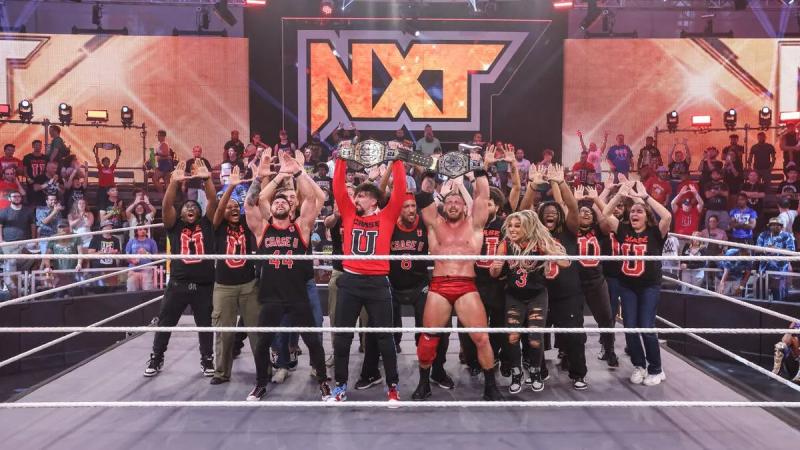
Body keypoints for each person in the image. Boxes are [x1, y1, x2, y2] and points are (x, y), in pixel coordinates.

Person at [412, 150, 504, 401]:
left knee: (481, 338)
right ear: (443, 205)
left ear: (465, 206)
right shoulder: (435, 224)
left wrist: (479, 168)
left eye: (458, 201)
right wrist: (431, 169)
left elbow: (483, 194)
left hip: (466, 285)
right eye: (449, 201)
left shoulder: (475, 224)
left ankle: (491, 386)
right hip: (439, 285)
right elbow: (424, 194)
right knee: (428, 337)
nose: (453, 204)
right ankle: (423, 383)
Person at [245, 152, 330, 402]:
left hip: (297, 296)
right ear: (270, 207)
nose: (280, 203)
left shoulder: (300, 228)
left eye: (285, 201)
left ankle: (323, 382)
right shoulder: (263, 229)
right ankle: (260, 385)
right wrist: (263, 178)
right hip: (271, 297)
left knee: (313, 342)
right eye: (277, 201)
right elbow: (250, 204)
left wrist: (297, 171)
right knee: (263, 343)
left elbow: (312, 198)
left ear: (291, 208)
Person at [327, 153, 407, 403]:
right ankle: (340, 386)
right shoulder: (349, 213)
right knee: (342, 338)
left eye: (361, 195)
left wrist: (398, 162)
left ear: (374, 200)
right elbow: (338, 189)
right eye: (356, 195)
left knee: (385, 337)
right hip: (350, 281)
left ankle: (392, 387)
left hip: (377, 282)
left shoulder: (387, 216)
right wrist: (341, 161)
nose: (356, 198)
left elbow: (400, 191)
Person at [360, 194, 454, 392]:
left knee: (436, 327)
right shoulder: (388, 224)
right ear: (398, 209)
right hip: (391, 284)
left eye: (413, 206)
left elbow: (435, 215)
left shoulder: (425, 225)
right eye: (406, 207)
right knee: (375, 328)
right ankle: (370, 372)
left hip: (419, 285)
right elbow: (379, 200)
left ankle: (438, 370)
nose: (411, 210)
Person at [144, 159, 218, 378]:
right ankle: (157, 357)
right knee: (165, 322)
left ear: (199, 212)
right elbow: (167, 206)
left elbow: (213, 202)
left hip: (204, 285)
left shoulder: (207, 224)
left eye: (194, 206)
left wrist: (207, 180)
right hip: (178, 284)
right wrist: (174, 183)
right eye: (186, 207)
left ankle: (207, 358)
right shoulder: (174, 226)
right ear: (181, 213)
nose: (190, 208)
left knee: (205, 325)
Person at [602, 180, 672, 387]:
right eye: (632, 211)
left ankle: (656, 368)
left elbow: (667, 216)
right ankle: (639, 365)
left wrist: (645, 197)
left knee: (647, 327)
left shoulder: (655, 232)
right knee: (630, 327)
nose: (634, 213)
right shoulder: (624, 230)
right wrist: (620, 194)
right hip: (627, 286)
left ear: (647, 215)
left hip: (649, 286)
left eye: (639, 211)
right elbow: (606, 213)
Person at [490, 210, 568, 394]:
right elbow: (493, 274)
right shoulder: (505, 244)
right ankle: (516, 374)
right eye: (510, 226)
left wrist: (550, 253)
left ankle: (535, 372)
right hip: (514, 296)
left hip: (537, 296)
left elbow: (566, 263)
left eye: (517, 226)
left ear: (528, 227)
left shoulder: (539, 242)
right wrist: (496, 267)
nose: (512, 229)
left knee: (535, 338)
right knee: (512, 337)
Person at [535, 164, 589, 390]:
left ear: (560, 217)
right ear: (540, 217)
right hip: (539, 293)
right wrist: (532, 186)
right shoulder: (535, 233)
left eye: (555, 212)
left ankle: (578, 373)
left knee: (573, 336)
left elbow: (573, 207)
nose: (551, 213)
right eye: (546, 211)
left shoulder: (569, 231)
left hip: (567, 293)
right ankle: (538, 371)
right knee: (535, 336)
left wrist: (562, 182)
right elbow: (523, 208)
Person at [209, 166, 260, 386]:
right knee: (224, 332)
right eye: (228, 207)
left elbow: (253, 204)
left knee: (257, 331)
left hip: (249, 284)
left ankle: (264, 370)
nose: (232, 209)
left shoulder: (247, 225)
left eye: (235, 206)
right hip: (224, 286)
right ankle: (221, 372)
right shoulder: (218, 226)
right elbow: (219, 208)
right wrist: (230, 186)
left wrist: (258, 180)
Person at [573, 186, 619, 369]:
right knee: (573, 319)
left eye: (588, 212)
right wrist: (575, 202)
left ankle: (609, 349)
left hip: (596, 280)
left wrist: (596, 200)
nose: (585, 213)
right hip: (574, 282)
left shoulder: (600, 231)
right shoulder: (570, 230)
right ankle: (568, 352)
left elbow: (606, 219)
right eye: (581, 211)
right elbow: (566, 212)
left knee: (606, 317)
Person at [0, 191, 35, 295]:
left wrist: (33, 239)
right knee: (11, 262)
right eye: (14, 196)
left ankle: (23, 284)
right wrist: (1, 240)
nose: (17, 198)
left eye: (19, 196)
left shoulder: (28, 211)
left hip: (25, 242)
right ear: (9, 198)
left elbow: (33, 225)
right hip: (8, 243)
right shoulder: (4, 211)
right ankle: (12, 288)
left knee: (34, 258)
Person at [756, 217, 795, 301]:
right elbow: (756, 249)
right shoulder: (763, 235)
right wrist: (766, 249)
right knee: (761, 296)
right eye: (772, 225)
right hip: (764, 270)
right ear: (769, 226)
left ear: (781, 226)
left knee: (779, 298)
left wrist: (777, 250)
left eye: (777, 225)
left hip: (780, 272)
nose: (774, 227)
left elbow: (791, 251)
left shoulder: (787, 236)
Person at [42, 221, 82, 292]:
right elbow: (47, 254)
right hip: (58, 273)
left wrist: (79, 264)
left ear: (69, 227)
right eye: (60, 227)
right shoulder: (53, 238)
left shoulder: (76, 237)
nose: (62, 229)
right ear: (57, 228)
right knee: (59, 293)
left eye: (64, 227)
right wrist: (48, 267)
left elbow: (80, 253)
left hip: (73, 272)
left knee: (74, 293)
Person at [87, 220, 121, 287]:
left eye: (110, 226)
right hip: (98, 268)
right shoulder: (95, 239)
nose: (109, 228)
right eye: (107, 226)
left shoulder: (116, 239)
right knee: (99, 289)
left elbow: (119, 254)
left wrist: (114, 252)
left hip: (111, 267)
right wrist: (101, 252)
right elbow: (90, 254)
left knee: (113, 288)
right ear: (102, 228)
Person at [125, 227, 158, 292]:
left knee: (147, 291)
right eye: (140, 229)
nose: (143, 231)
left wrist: (146, 253)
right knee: (131, 290)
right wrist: (132, 260)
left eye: (144, 229)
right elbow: (126, 257)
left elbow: (156, 257)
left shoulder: (152, 241)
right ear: (136, 231)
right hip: (133, 270)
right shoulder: (131, 241)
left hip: (147, 269)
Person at [185, 146, 213, 214]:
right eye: (195, 151)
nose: (197, 153)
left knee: (203, 204)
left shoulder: (205, 161)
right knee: (191, 204)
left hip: (202, 187)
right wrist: (184, 184)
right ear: (193, 152)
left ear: (201, 152)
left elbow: (209, 174)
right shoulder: (189, 162)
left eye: (198, 151)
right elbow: (185, 174)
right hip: (191, 186)